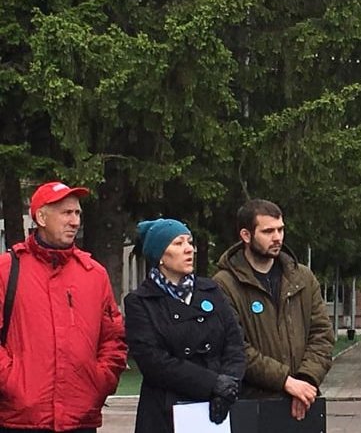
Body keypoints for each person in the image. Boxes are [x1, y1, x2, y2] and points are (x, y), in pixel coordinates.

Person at [0, 181, 127, 432]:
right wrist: (12, 383)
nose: (75, 221)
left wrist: (99, 381)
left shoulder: (94, 274)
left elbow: (113, 339)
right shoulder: (7, 270)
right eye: (66, 213)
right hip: (21, 419)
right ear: (41, 217)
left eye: (78, 213)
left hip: (79, 417)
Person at [213, 199, 335, 421]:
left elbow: (322, 335)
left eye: (280, 229)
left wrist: (306, 380)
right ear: (246, 235)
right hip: (253, 406)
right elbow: (235, 347)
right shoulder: (224, 284)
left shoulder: (303, 278)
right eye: (268, 231)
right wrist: (286, 382)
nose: (277, 237)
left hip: (303, 402)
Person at [124, 218, 246, 433]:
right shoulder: (140, 302)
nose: (189, 249)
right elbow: (153, 362)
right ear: (160, 255)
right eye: (178, 243)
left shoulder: (211, 291)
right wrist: (211, 383)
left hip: (217, 410)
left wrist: (228, 385)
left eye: (189, 242)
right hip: (166, 413)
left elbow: (235, 343)